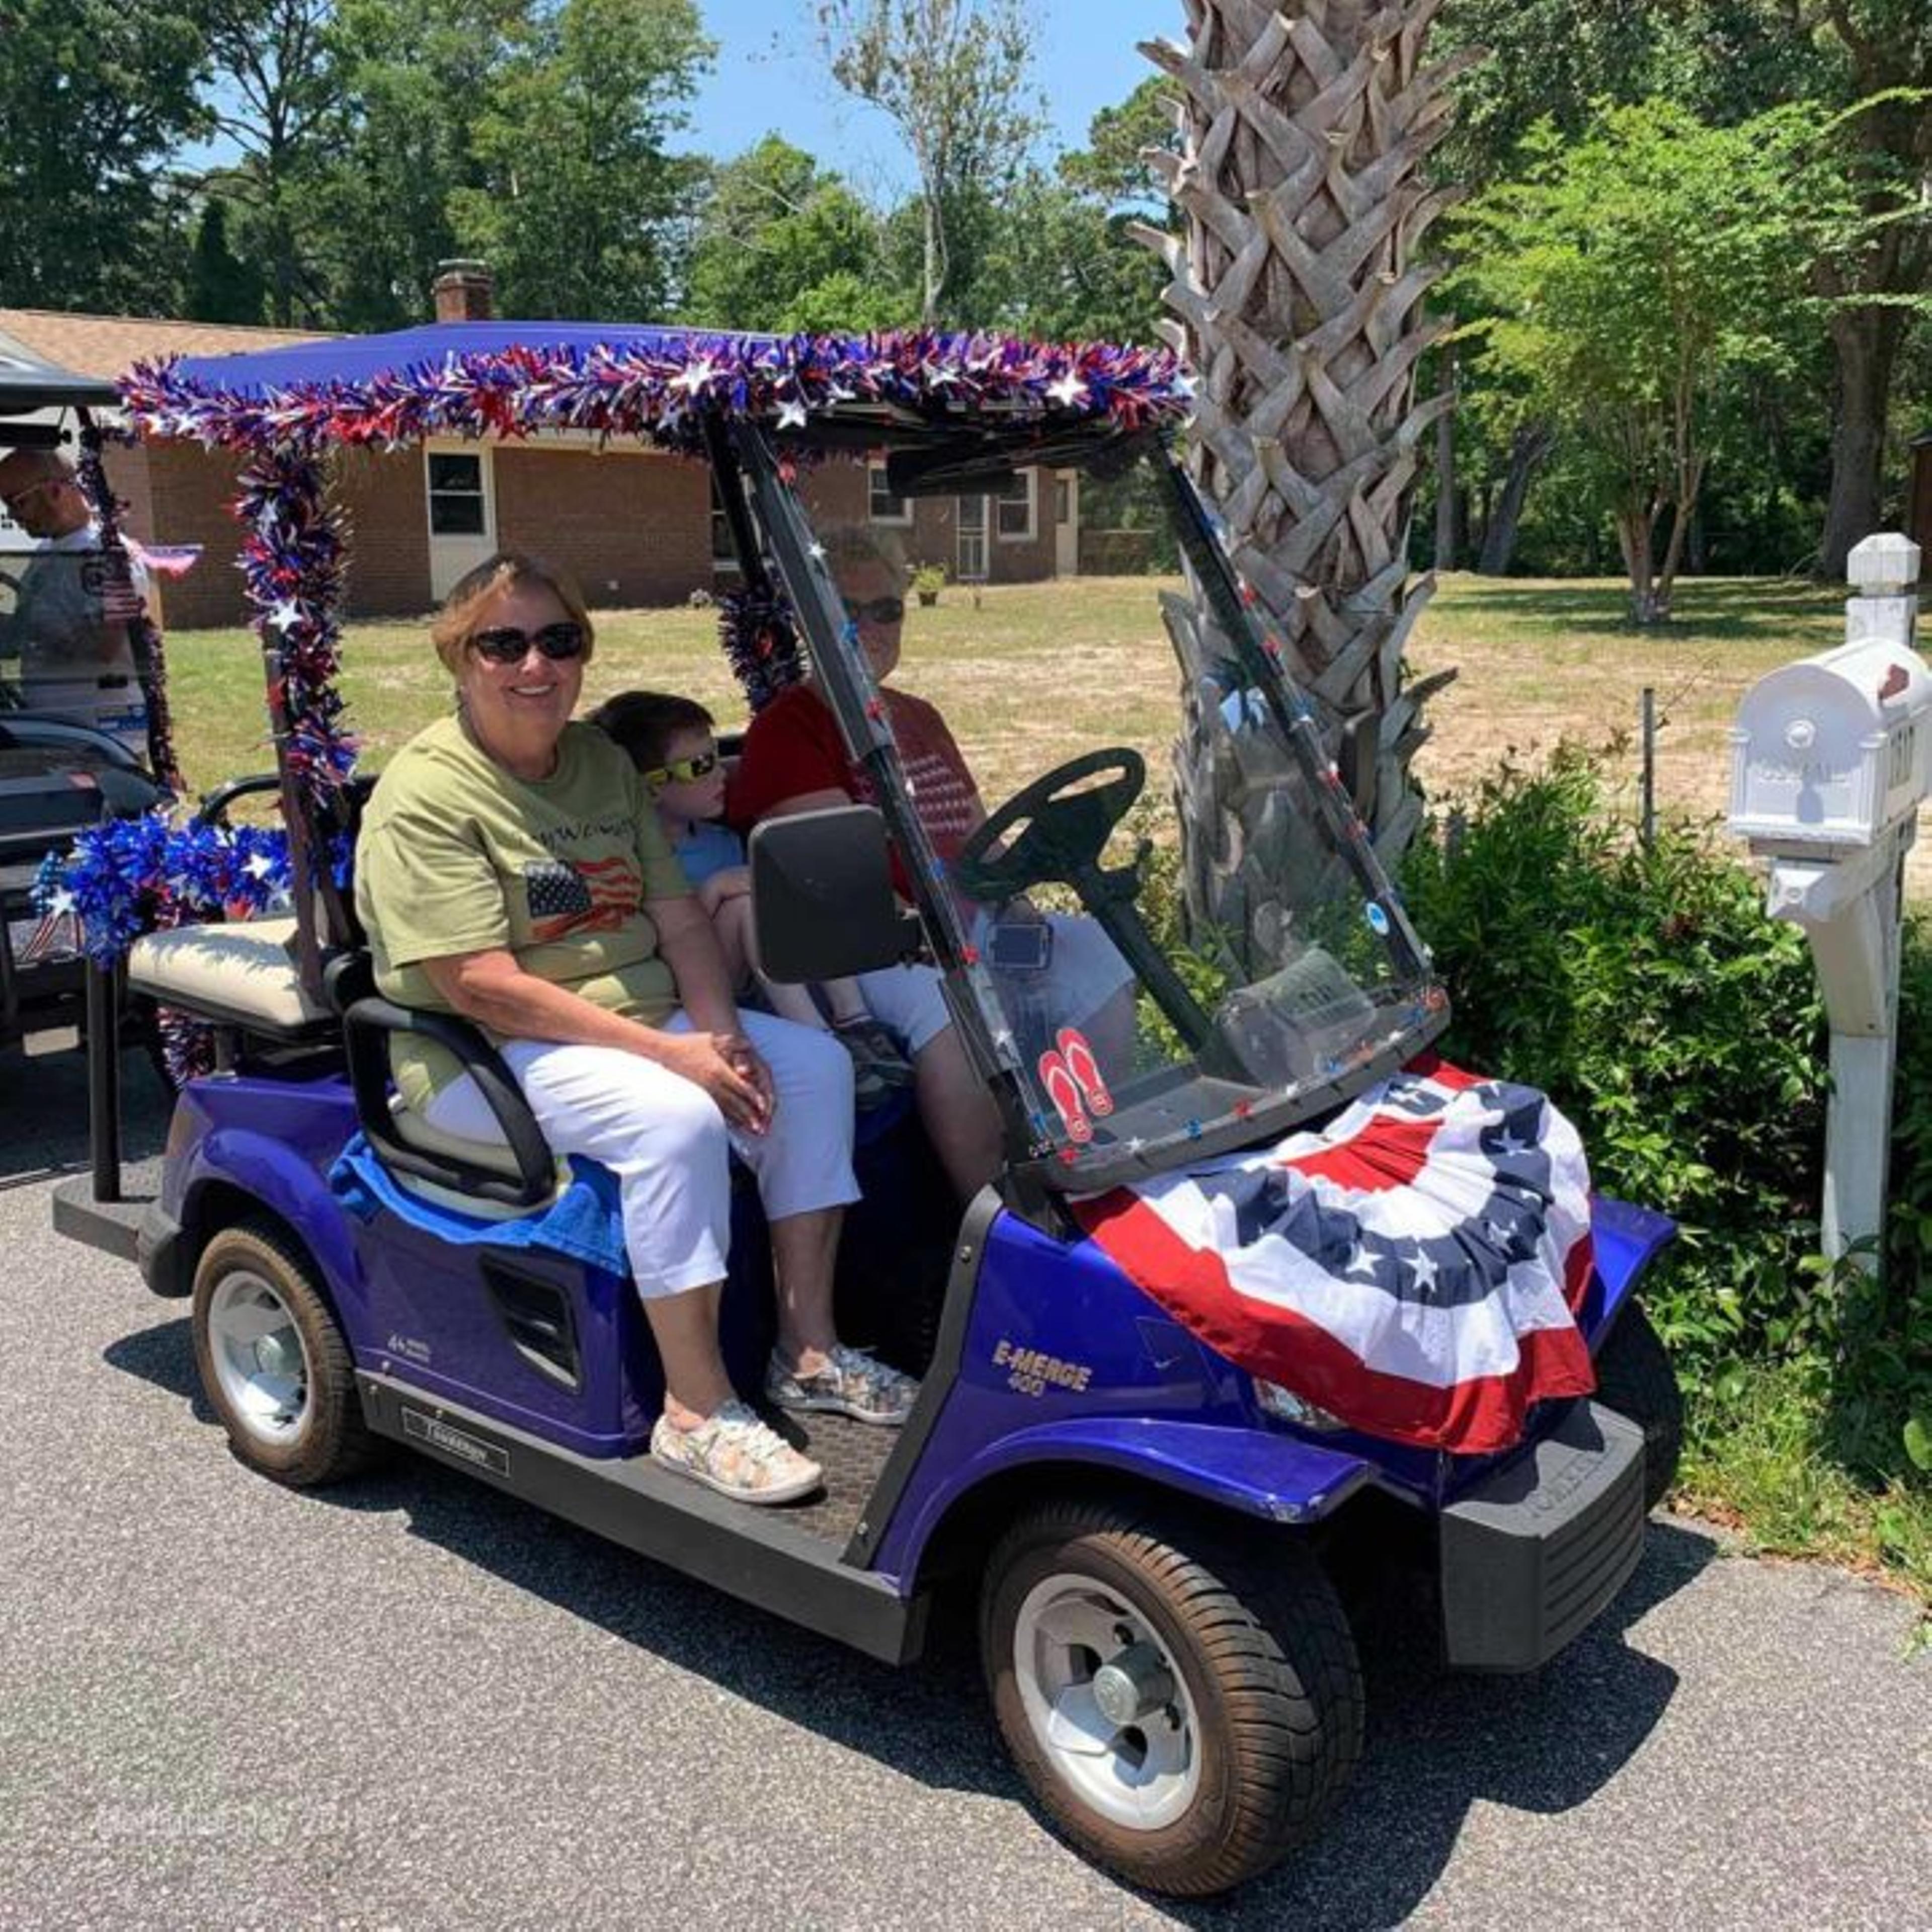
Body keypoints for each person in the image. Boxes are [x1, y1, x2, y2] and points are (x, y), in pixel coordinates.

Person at [354, 551, 916, 1508]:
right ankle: (694, 1412)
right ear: (461, 658)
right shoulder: (428, 793)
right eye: (505, 644)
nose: (536, 664)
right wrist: (673, 1057)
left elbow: (679, 915)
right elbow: (481, 983)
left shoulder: (602, 765)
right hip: (481, 1052)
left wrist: (720, 1035)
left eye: (559, 641)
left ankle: (807, 1348)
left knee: (815, 1067)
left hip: (631, 1023)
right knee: (677, 1120)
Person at [731, 526, 1136, 1199]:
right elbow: (841, 880)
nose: (869, 628)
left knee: (1090, 950)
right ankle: (995, 1207)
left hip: (969, 923)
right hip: (876, 948)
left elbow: (984, 839)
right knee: (949, 1000)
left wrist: (1019, 909)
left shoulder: (920, 717)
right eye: (845, 613)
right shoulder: (789, 729)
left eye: (885, 609)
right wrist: (957, 939)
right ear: (809, 621)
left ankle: (1089, 1149)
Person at [588, 689, 914, 1108]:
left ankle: (858, 1022)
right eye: (700, 766)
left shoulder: (721, 840)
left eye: (717, 757)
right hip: (700, 987)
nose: (721, 774)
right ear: (648, 788)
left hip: (761, 973)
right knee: (746, 903)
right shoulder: (636, 859)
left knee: (787, 879)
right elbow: (663, 947)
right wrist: (713, 890)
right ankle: (819, 1039)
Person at [0, 449, 149, 752]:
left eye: (17, 503)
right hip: (55, 728)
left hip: (100, 737)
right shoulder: (46, 551)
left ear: (55, 491)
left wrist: (30, 628)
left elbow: (107, 645)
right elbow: (22, 637)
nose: (13, 517)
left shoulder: (108, 553)